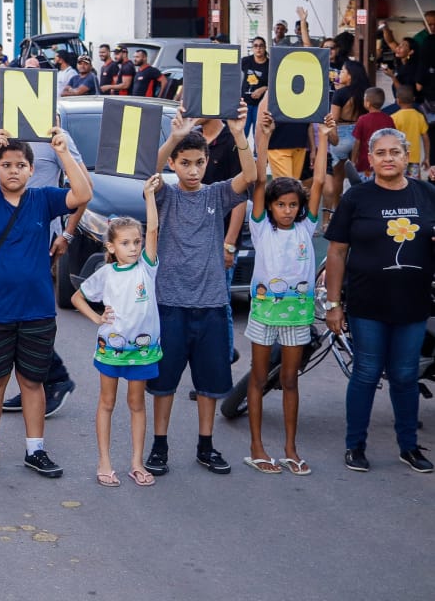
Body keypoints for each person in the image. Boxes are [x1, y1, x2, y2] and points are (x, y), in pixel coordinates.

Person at [0, 126, 90, 479]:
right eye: (6, 164)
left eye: (20, 165)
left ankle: (36, 449)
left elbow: (83, 192)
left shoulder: (43, 198)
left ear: (31, 170)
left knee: (32, 382)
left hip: (37, 310)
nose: (13, 170)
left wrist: (62, 151)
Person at [145, 105, 255, 478]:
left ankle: (205, 445)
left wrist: (239, 133)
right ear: (173, 164)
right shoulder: (166, 196)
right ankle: (159, 446)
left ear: (208, 161)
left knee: (209, 385)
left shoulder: (217, 195)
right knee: (163, 385)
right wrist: (173, 137)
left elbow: (251, 176)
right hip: (170, 305)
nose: (193, 170)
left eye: (199, 162)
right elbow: (147, 172)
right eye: (185, 162)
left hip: (210, 306)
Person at [324, 127, 435, 474]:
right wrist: (332, 304)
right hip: (366, 304)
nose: (388, 158)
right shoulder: (357, 197)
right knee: (367, 373)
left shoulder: (427, 192)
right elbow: (337, 252)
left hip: (414, 304)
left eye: (395, 152)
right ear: (369, 159)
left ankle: (408, 447)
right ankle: (355, 445)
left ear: (406, 157)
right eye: (381, 153)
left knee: (404, 376)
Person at [241, 111, 326, 476]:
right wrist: (264, 136)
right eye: (281, 205)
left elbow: (319, 178)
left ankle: (290, 448)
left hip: (298, 316)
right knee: (258, 379)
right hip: (264, 314)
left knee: (289, 381)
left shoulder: (306, 228)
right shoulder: (262, 229)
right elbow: (259, 180)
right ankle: (257, 446)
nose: (288, 211)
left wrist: (322, 135)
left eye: (293, 205)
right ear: (270, 207)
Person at [72, 178, 162, 488]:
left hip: (143, 350)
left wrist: (149, 195)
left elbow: (152, 229)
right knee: (107, 403)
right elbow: (76, 297)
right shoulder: (106, 273)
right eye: (126, 243)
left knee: (137, 403)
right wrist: (97, 318)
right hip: (111, 348)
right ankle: (105, 462)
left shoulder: (146, 267)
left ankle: (136, 462)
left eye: (136, 242)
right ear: (111, 246)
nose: (134, 247)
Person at [392, 86, 428, 179]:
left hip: (398, 158)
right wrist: (427, 157)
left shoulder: (394, 118)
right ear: (414, 99)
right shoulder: (419, 116)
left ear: (397, 101)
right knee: (414, 185)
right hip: (414, 159)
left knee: (398, 184)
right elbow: (425, 138)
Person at [241, 37, 269, 125]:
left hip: (261, 104)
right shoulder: (245, 61)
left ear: (265, 48)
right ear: (252, 48)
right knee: (242, 132)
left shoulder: (270, 64)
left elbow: (275, 84)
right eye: (255, 46)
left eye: (261, 46)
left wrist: (264, 88)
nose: (258, 48)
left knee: (258, 133)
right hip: (245, 103)